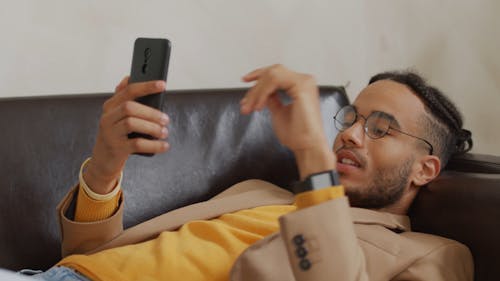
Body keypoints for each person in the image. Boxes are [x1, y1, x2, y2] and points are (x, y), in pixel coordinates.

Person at [35, 65, 473, 280]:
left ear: (425, 168)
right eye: (351, 118)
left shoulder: (431, 254)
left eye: (380, 128)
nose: (352, 136)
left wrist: (310, 155)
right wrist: (106, 169)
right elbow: (86, 260)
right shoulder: (257, 191)